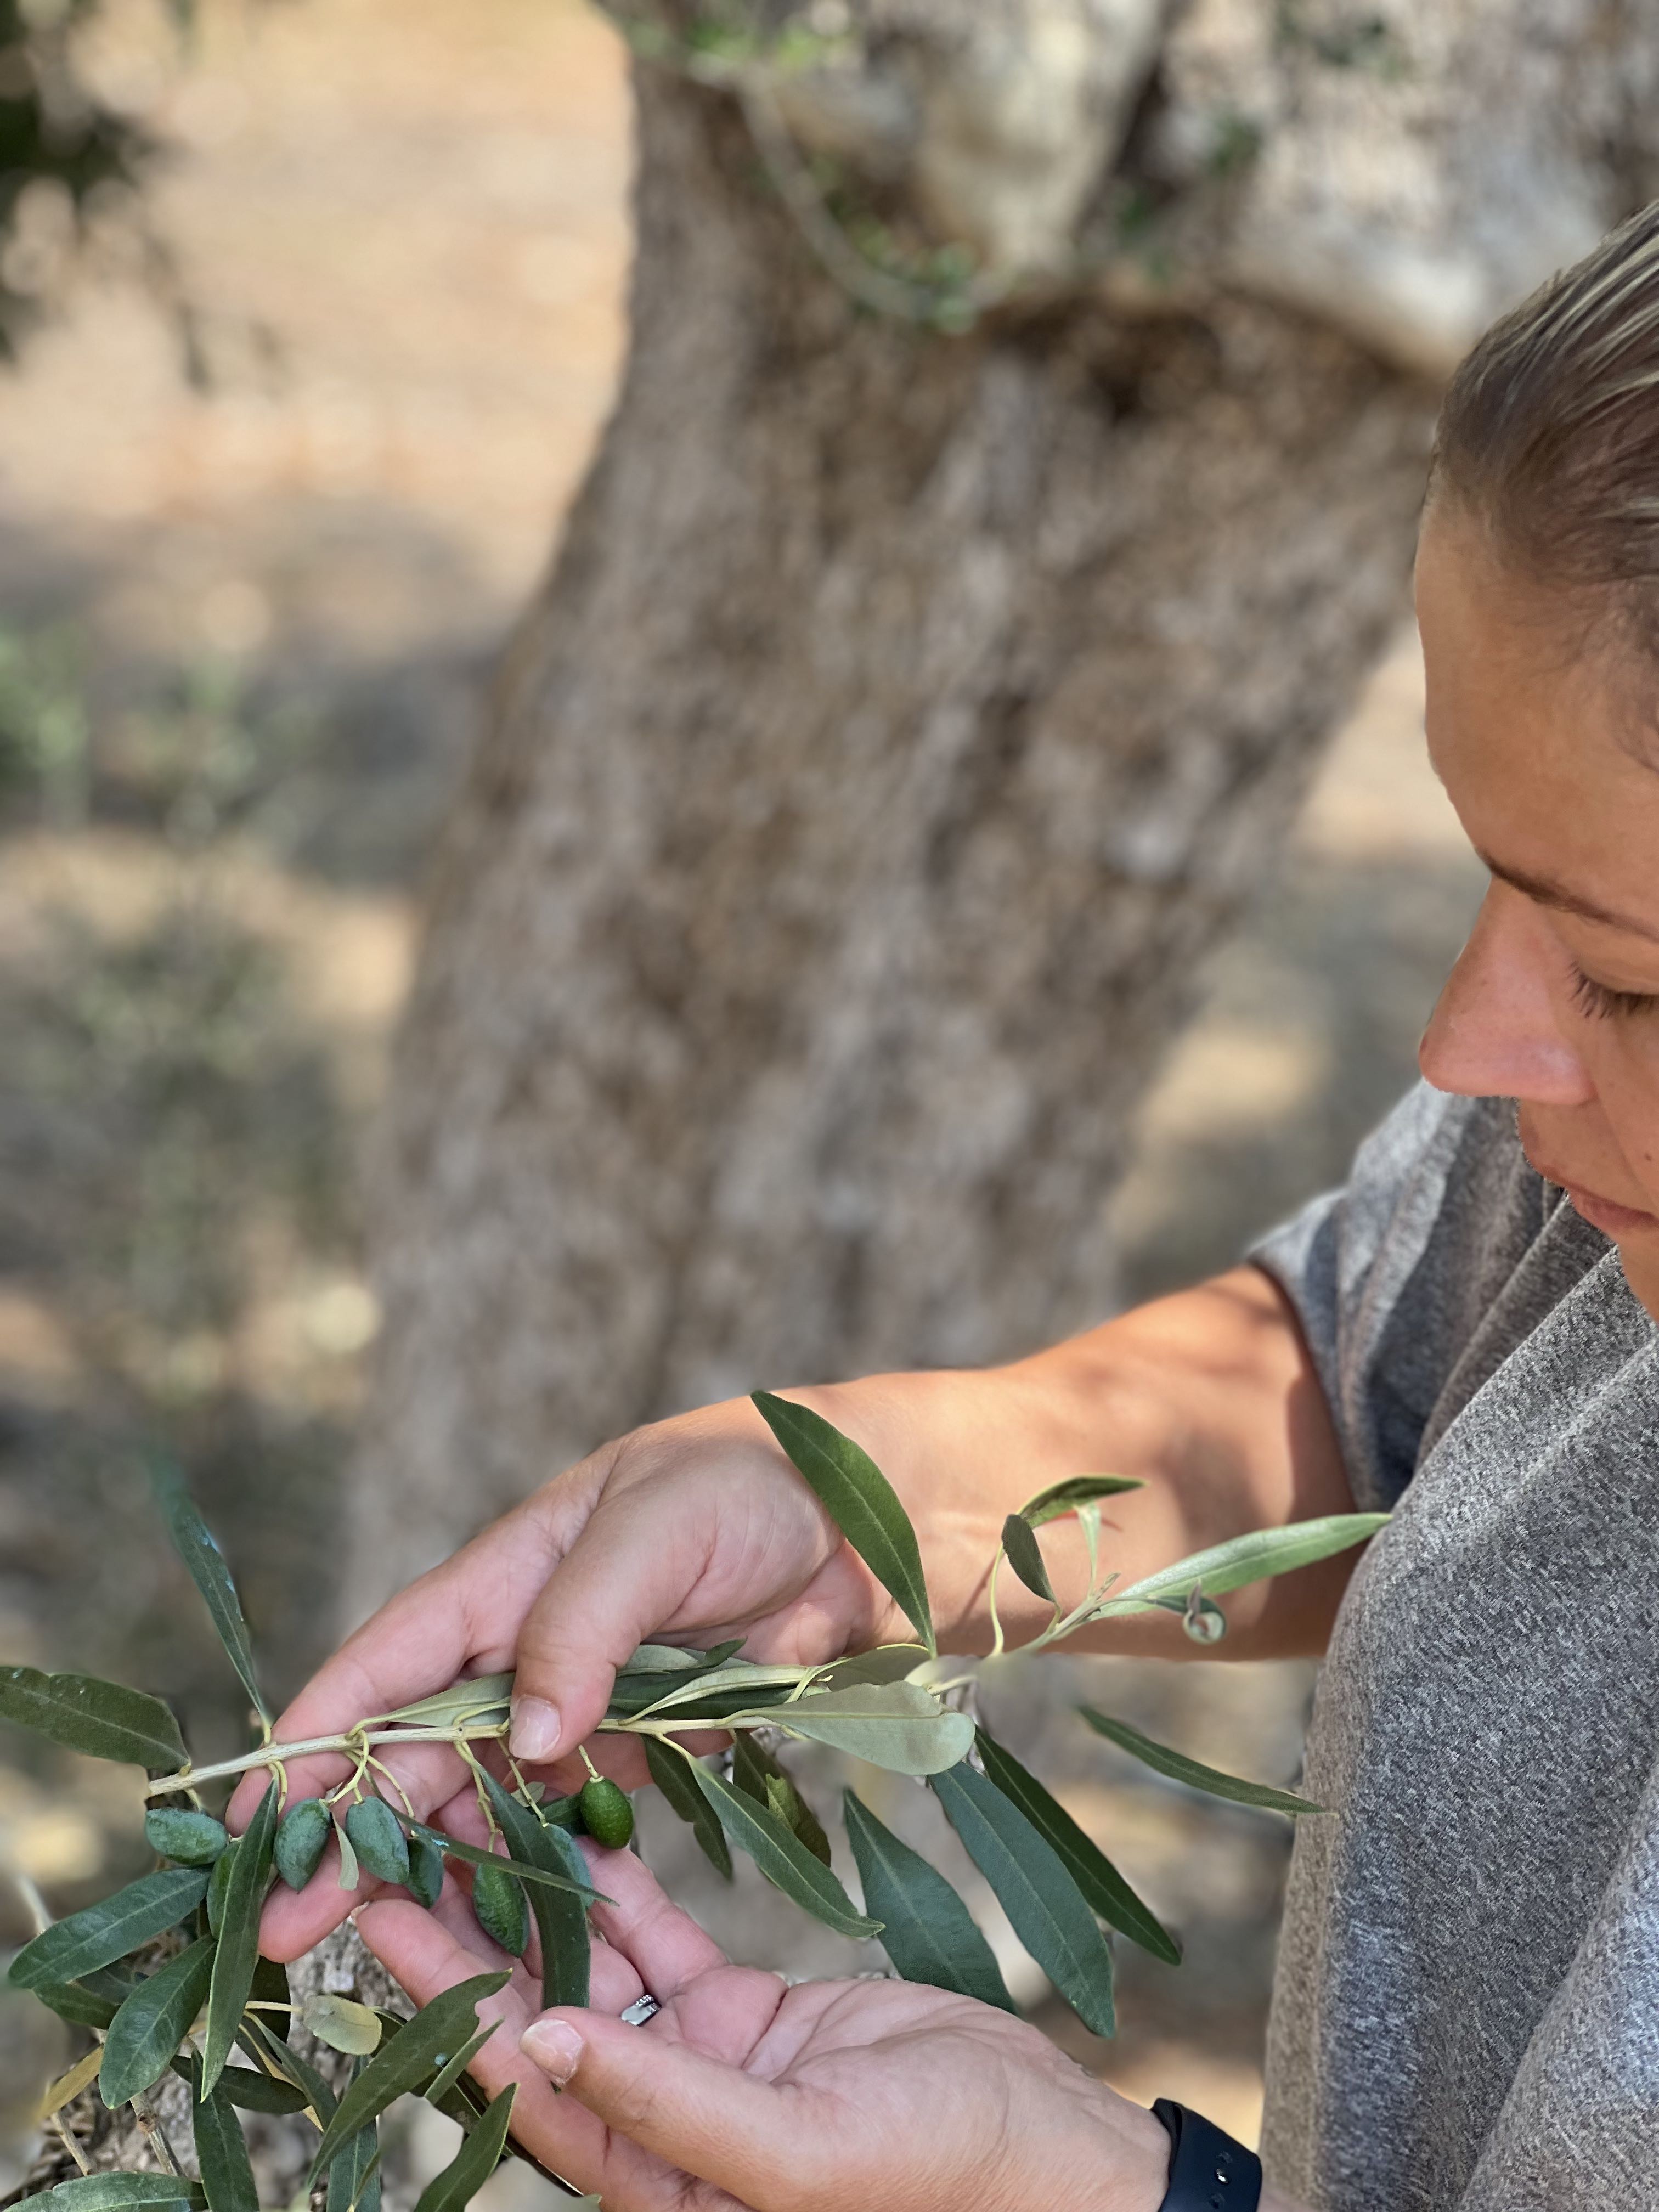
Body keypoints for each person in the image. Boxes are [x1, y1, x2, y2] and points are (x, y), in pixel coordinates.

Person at [243, 202, 1659, 2211]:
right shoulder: (1600, 1183)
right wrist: (862, 1517)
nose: (1472, 1040)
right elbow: (1374, 1389)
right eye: (1484, 876)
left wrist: (1078, 2189)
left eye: (1624, 973)